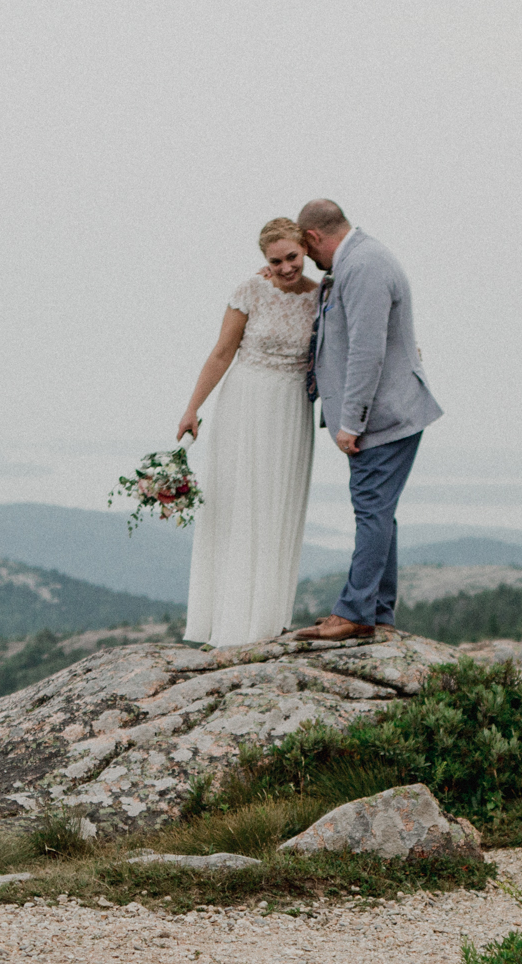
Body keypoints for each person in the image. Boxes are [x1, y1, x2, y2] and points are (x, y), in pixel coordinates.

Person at [292, 199, 442, 642]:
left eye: (308, 250)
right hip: (384, 413)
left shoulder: (365, 265)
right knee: (378, 511)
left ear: (315, 237)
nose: (312, 262)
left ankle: (356, 612)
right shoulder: (360, 260)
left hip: (381, 417)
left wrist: (351, 423)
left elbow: (367, 351)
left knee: (371, 510)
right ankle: (377, 610)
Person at [174, 217, 321, 647]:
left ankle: (266, 620)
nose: (286, 267)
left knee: (277, 504)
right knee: (237, 504)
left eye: (292, 257)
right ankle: (227, 622)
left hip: (291, 408)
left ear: (305, 249)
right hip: (244, 404)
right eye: (275, 261)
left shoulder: (323, 297)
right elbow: (222, 353)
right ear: (265, 262)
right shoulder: (250, 290)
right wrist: (192, 407)